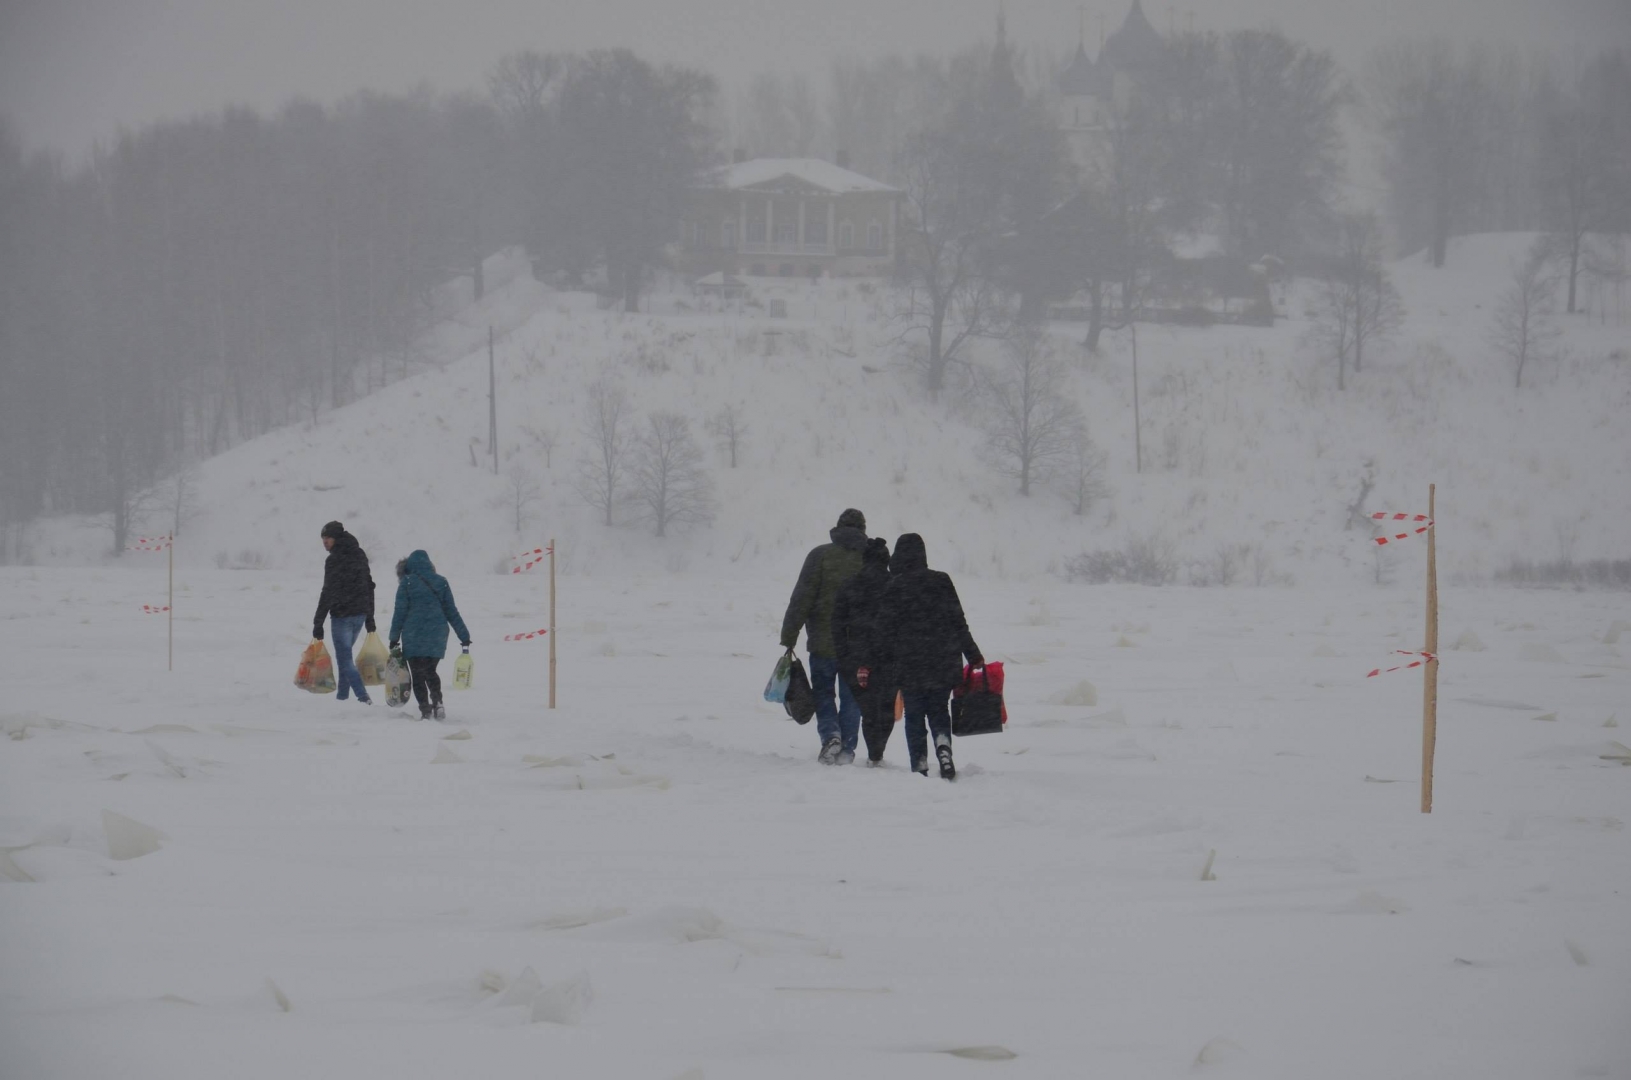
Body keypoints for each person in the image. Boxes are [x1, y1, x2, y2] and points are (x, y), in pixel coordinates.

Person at [878, 533, 982, 780]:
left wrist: (882, 662)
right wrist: (973, 654)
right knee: (938, 709)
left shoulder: (894, 586)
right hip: (942, 660)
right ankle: (943, 745)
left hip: (910, 662)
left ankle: (919, 762)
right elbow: (958, 622)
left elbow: (884, 630)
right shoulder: (942, 581)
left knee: (914, 714)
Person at [780, 508, 869, 765]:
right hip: (857, 645)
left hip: (822, 640)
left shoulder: (819, 556)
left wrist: (789, 634)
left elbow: (802, 598)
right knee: (852, 695)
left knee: (823, 692)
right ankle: (848, 748)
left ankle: (831, 734)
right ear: (863, 529)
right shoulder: (869, 558)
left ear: (838, 527)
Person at [832, 537, 895, 767]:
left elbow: (837, 623)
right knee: (886, 707)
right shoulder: (895, 584)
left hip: (857, 657)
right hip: (889, 656)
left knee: (868, 708)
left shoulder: (850, 585)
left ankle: (873, 753)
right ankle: (877, 752)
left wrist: (843, 655)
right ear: (886, 560)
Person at [388, 550, 471, 721]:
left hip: (413, 634)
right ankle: (438, 701)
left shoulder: (406, 583)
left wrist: (394, 637)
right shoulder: (441, 582)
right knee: (430, 670)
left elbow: (400, 613)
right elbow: (451, 612)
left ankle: (425, 710)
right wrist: (464, 635)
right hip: (437, 634)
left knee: (418, 674)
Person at [312, 520, 376, 705]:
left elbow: (328, 591)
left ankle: (363, 698)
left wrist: (318, 622)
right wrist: (369, 616)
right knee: (344, 659)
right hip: (360, 614)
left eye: (328, 538)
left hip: (342, 616)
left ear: (337, 538)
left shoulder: (333, 560)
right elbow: (368, 586)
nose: (325, 542)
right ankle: (342, 698)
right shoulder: (359, 554)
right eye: (323, 538)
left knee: (345, 660)